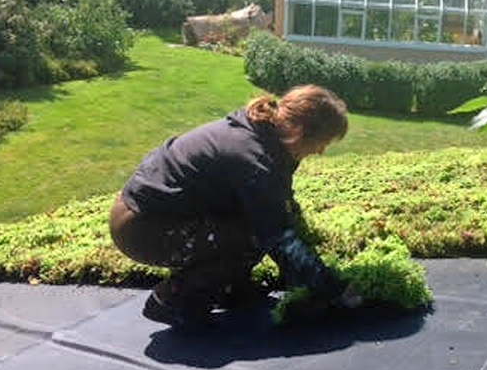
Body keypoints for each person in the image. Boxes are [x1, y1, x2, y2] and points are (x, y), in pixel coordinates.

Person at [109, 84, 361, 330]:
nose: (321, 152)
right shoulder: (253, 157)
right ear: (300, 132)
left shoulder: (264, 132)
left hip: (158, 213)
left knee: (252, 224)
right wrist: (333, 289)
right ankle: (172, 299)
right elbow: (277, 235)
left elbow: (279, 205)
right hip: (142, 228)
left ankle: (229, 289)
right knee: (253, 236)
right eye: (322, 143)